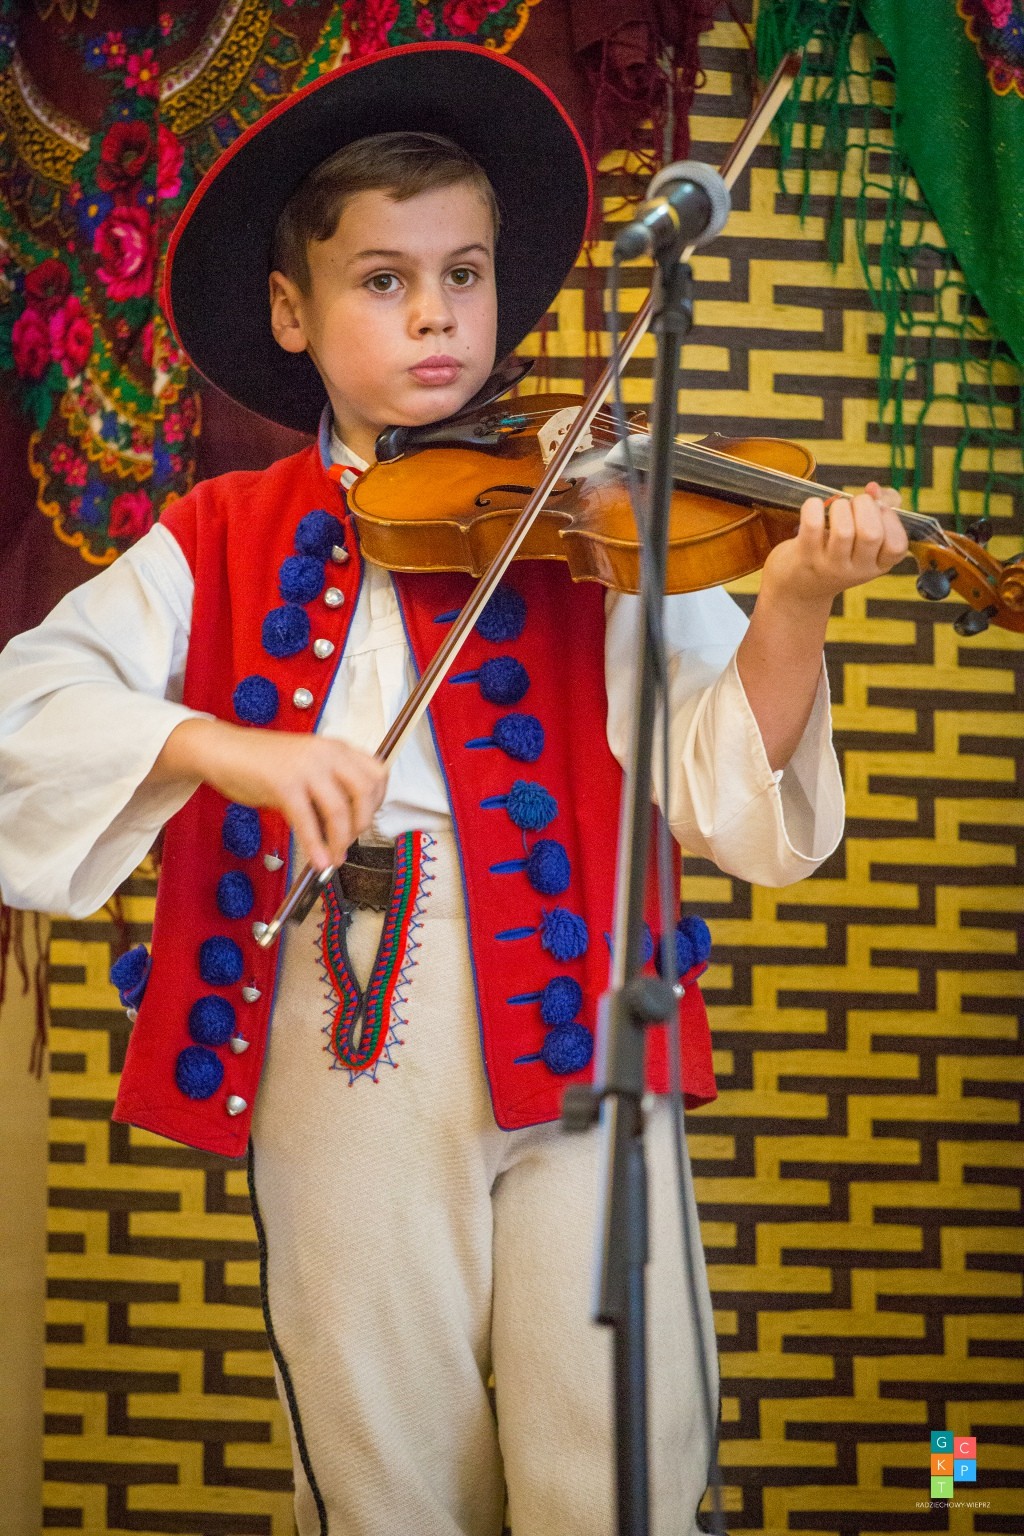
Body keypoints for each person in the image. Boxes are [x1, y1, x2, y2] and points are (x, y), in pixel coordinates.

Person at [0, 43, 908, 1536]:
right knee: (386, 1452)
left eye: (465, 275)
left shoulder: (588, 509)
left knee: (619, 1448)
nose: (435, 314)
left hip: (584, 1001)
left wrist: (796, 603)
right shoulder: (218, 531)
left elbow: (723, 792)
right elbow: (28, 707)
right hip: (347, 1006)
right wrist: (225, 748)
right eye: (384, 280)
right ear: (291, 311)